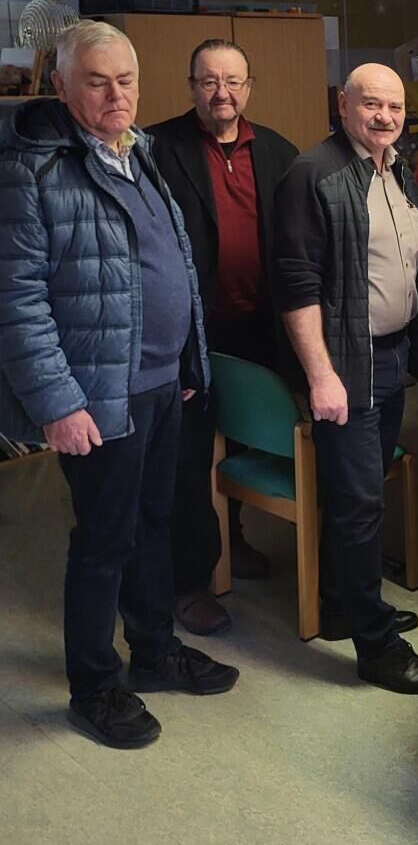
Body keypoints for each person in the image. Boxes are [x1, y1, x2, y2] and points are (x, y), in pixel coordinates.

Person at [0, 20, 237, 749]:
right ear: (62, 85)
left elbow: (168, 264)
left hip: (161, 384)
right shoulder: (32, 168)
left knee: (155, 524)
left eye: (126, 81)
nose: (116, 96)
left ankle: (155, 652)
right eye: (97, 82)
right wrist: (58, 404)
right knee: (104, 541)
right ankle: (94, 686)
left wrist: (187, 360)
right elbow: (17, 300)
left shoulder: (139, 153)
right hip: (98, 395)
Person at [272, 64, 418, 689]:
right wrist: (321, 375)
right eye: (371, 105)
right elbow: (296, 283)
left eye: (394, 107)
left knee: (360, 494)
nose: (384, 117)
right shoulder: (313, 173)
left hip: (392, 356)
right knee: (360, 502)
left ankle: (342, 604)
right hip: (346, 362)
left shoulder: (396, 169)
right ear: (344, 105)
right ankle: (378, 648)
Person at [148, 39, 298, 637]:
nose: (222, 93)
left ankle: (232, 543)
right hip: (190, 331)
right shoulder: (157, 149)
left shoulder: (279, 153)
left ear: (249, 87)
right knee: (187, 456)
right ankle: (189, 582)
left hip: (260, 326)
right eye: (209, 81)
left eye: (233, 81)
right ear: (192, 86)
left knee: (241, 441)